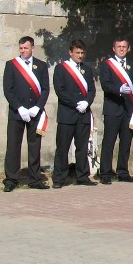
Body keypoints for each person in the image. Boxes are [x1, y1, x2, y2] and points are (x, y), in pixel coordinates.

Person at [2, 36, 50, 191]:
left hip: (35, 113)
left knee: (35, 146)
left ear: (33, 48)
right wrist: (19, 108)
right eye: (21, 48)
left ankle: (35, 179)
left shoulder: (41, 66)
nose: (23, 51)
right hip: (17, 113)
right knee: (13, 146)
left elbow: (45, 89)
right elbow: (8, 90)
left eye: (26, 48)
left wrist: (37, 107)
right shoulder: (11, 65)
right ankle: (11, 180)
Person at [99, 37, 133, 184]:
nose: (121, 49)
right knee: (109, 141)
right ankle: (105, 174)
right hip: (113, 108)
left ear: (128, 48)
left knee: (126, 142)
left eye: (124, 46)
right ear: (113, 48)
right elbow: (105, 85)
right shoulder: (106, 65)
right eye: (119, 46)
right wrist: (118, 89)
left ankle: (123, 172)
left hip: (128, 109)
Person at [52, 39, 97, 188]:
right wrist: (75, 104)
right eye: (77, 52)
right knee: (62, 148)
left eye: (82, 53)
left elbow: (92, 89)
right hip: (67, 114)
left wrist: (87, 102)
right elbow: (60, 91)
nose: (80, 55)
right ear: (70, 52)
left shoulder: (87, 69)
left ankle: (82, 176)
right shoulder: (61, 68)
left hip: (83, 114)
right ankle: (59, 178)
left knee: (82, 148)